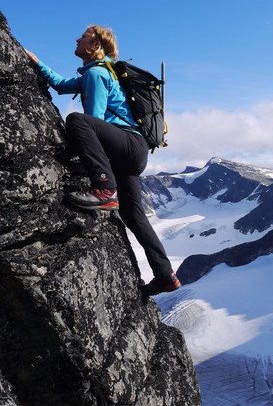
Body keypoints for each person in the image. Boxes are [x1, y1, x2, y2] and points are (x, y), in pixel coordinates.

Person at [25, 24, 181, 296]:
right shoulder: (94, 73)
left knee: (77, 120)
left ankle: (104, 187)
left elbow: (93, 120)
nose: (77, 38)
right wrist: (37, 62)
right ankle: (165, 275)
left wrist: (88, 168)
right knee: (134, 216)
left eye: (83, 36)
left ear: (94, 46)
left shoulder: (96, 74)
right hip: (131, 152)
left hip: (127, 145)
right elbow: (61, 85)